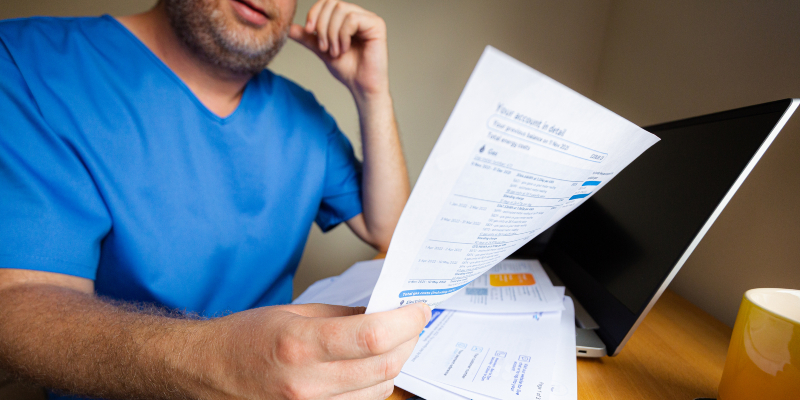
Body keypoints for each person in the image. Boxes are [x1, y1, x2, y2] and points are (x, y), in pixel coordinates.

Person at [0, 0, 431, 399]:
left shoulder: (304, 114)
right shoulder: (26, 64)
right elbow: (16, 307)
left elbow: (389, 230)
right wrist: (222, 363)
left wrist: (371, 93)